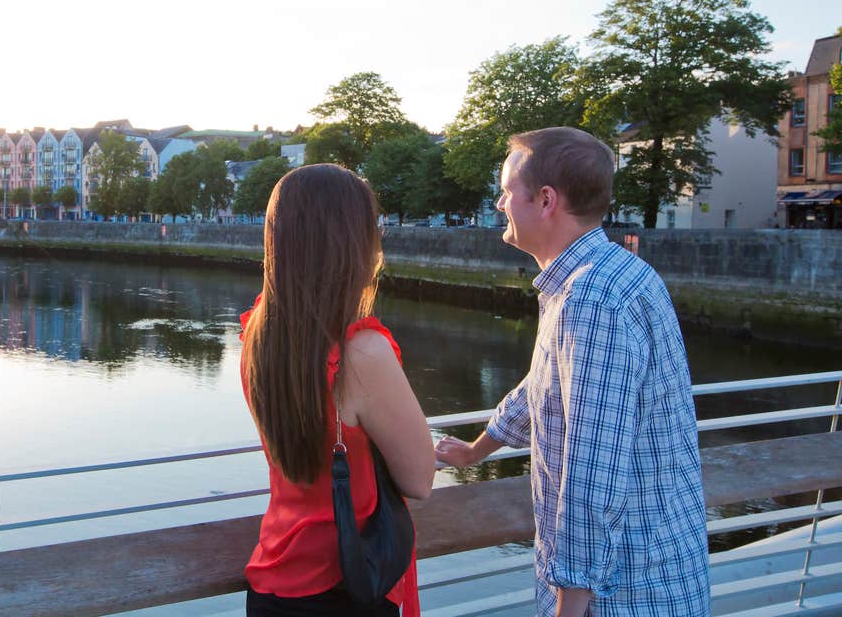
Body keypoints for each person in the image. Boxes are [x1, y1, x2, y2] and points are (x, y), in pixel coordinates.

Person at [435, 127, 709, 616]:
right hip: (661, 568)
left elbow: (590, 471)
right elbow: (545, 385)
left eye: (505, 191)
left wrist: (569, 603)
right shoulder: (616, 273)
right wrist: (479, 449)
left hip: (621, 593)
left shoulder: (589, 301)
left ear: (545, 201)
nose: (499, 203)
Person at [239, 164, 435, 617]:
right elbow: (419, 480)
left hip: (274, 586)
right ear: (354, 244)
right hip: (345, 585)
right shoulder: (361, 353)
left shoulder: (258, 337)